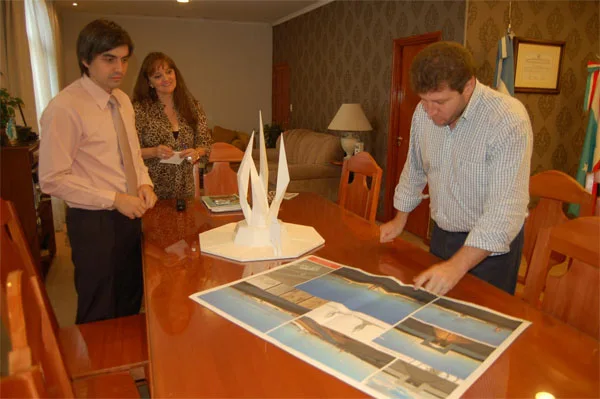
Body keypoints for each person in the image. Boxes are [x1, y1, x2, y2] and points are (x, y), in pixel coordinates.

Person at [380, 41, 532, 296]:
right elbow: (415, 167)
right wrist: (400, 219)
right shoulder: (422, 113)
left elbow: (505, 210)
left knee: (480, 325)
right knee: (434, 317)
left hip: (491, 249)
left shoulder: (507, 119)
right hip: (443, 235)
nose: (429, 111)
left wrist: (456, 267)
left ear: (469, 86)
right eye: (424, 100)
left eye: (439, 101)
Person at [39, 19, 157, 324]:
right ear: (85, 60)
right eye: (109, 59)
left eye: (124, 59)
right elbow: (52, 179)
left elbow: (131, 153)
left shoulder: (122, 100)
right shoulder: (65, 108)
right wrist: (115, 198)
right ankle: (98, 371)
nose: (119, 67)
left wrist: (144, 183)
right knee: (99, 308)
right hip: (93, 221)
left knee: (130, 297)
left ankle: (126, 367)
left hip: (130, 212)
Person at [132, 52, 212, 200]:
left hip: (185, 192)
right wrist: (154, 151)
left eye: (169, 72)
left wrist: (196, 153)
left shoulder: (192, 106)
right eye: (158, 76)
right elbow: (130, 152)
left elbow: (205, 145)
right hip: (151, 192)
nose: (166, 79)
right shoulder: (139, 110)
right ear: (149, 82)